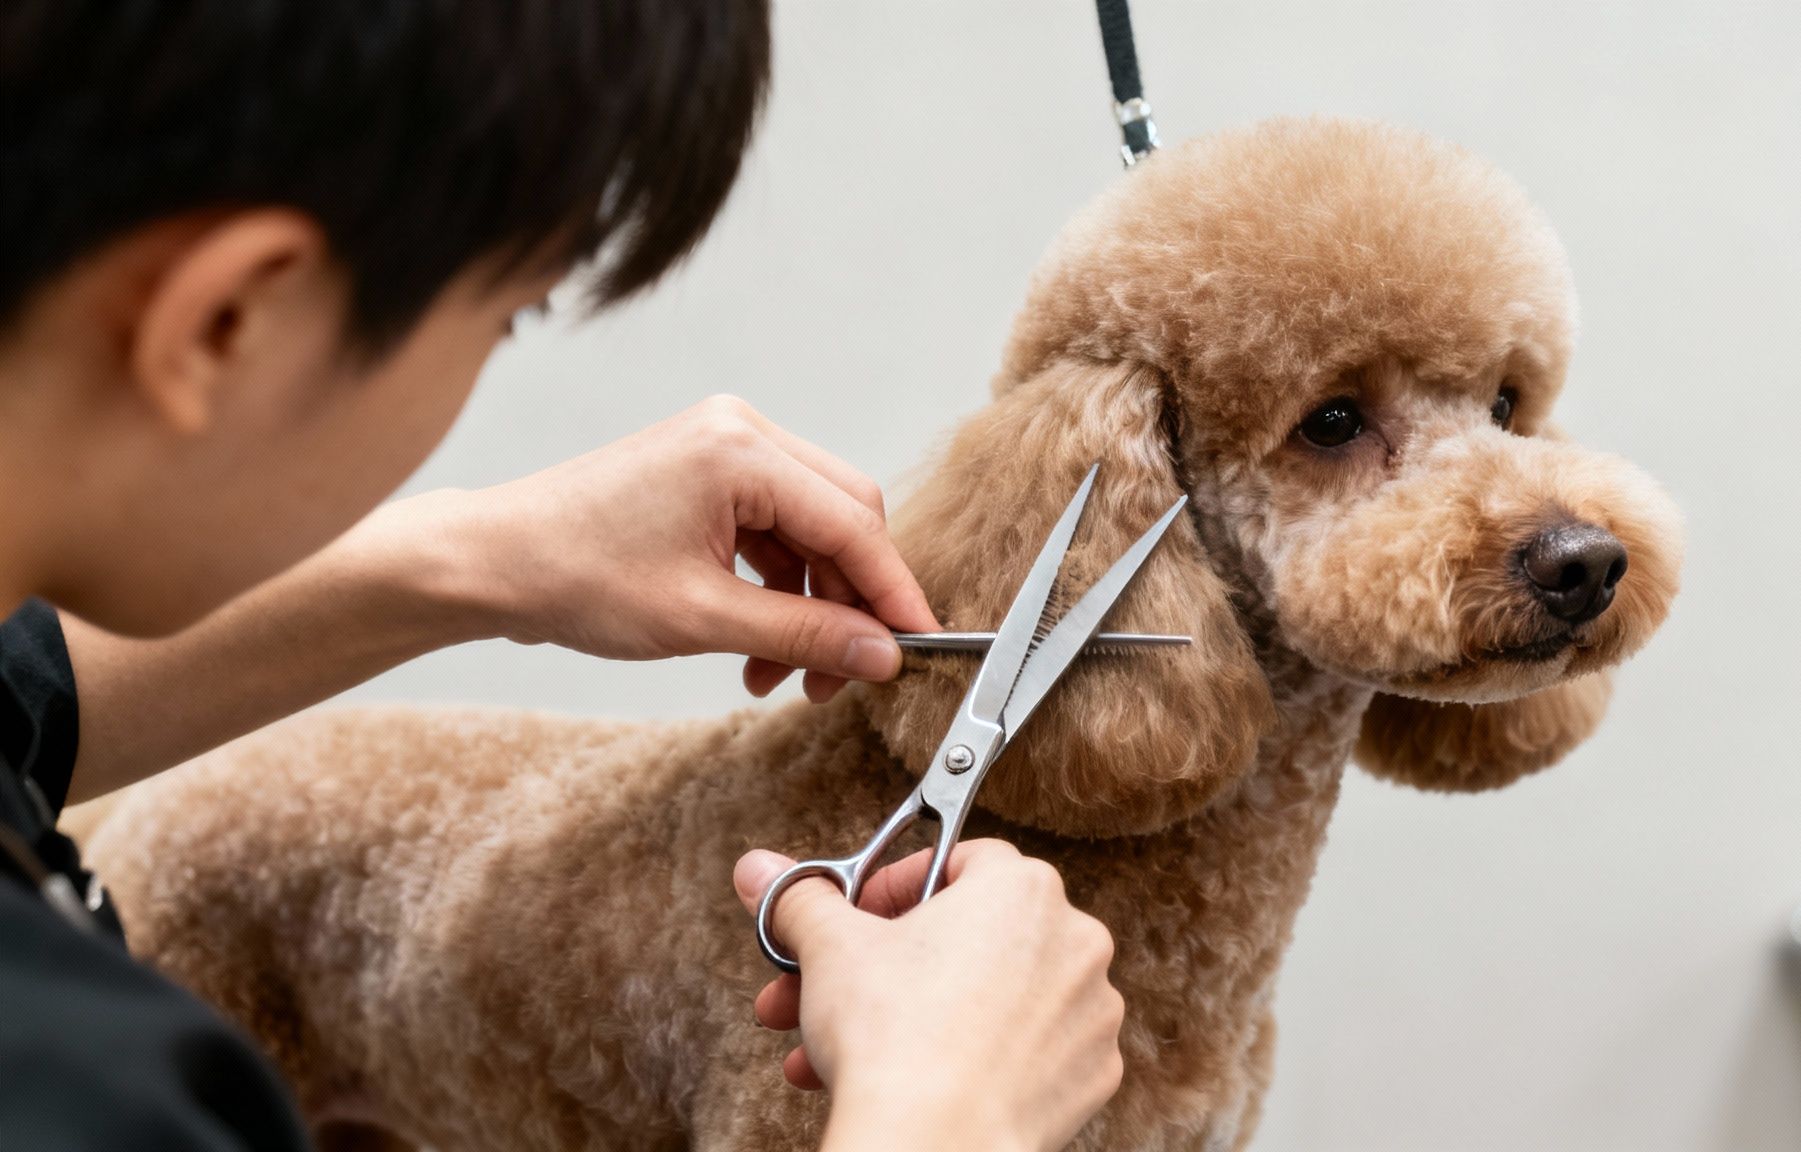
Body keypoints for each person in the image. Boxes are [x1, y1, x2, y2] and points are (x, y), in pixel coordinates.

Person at [0, 4, 1124, 1150]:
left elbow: (17, 701)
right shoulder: (93, 1102)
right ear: (229, 319)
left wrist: (477, 559)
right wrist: (945, 1117)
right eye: (510, 310)